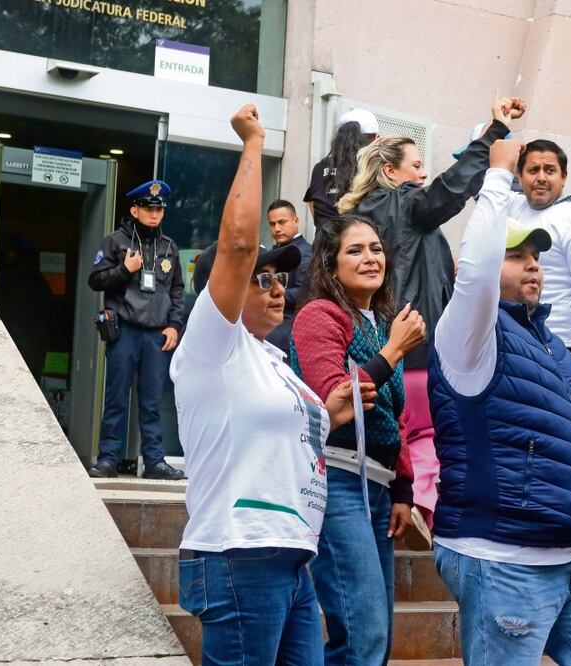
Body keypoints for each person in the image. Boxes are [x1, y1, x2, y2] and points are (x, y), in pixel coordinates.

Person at [170, 103, 374, 664]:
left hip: (291, 556)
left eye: (281, 277)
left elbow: (291, 434)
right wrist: (254, 143)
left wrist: (333, 409)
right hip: (239, 552)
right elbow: (237, 245)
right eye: (262, 280)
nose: (279, 288)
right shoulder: (214, 344)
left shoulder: (274, 362)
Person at [429, 140, 571, 665]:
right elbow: (477, 271)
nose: (533, 267)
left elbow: (565, 442)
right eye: (516, 256)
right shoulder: (468, 337)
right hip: (503, 558)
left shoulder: (551, 345)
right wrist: (498, 173)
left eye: (537, 258)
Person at [337, 91, 526, 526]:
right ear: (390, 172)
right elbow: (450, 189)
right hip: (415, 351)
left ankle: (412, 507)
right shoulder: (401, 203)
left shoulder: (368, 216)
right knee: (427, 438)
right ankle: (428, 509)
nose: (424, 174)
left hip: (388, 351)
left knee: (404, 442)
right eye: (417, 165)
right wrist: (494, 134)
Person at [291, 214, 426, 664]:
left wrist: (403, 489)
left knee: (377, 635)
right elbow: (337, 400)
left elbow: (394, 416)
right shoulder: (319, 315)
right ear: (330, 265)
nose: (370, 258)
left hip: (379, 489)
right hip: (337, 480)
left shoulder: (382, 323)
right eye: (355, 250)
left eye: (376, 249)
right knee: (361, 629)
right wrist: (393, 351)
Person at [87, 179, 185, 480]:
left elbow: (177, 291)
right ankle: (108, 459)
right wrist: (124, 270)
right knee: (116, 398)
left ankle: (154, 462)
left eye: (159, 209)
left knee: (152, 402)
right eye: (147, 208)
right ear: (134, 210)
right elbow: (95, 280)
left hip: (156, 334)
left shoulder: (169, 247)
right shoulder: (116, 241)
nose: (154, 214)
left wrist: (174, 326)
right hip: (125, 331)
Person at [506, 139, 571, 393]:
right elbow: (478, 184)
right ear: (519, 176)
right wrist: (499, 130)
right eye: (533, 170)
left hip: (560, 348)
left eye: (550, 170)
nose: (541, 177)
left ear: (564, 178)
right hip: (513, 344)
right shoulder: (511, 206)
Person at [304, 108, 379, 234]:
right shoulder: (373, 170)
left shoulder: (320, 168)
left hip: (325, 242)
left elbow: (314, 207)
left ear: (338, 139)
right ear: (375, 138)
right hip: (359, 240)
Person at [264, 198, 313, 357]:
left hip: (290, 327)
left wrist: (267, 293)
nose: (277, 229)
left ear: (296, 221)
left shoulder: (307, 253)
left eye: (282, 222)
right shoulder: (273, 251)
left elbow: (303, 294)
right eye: (272, 224)